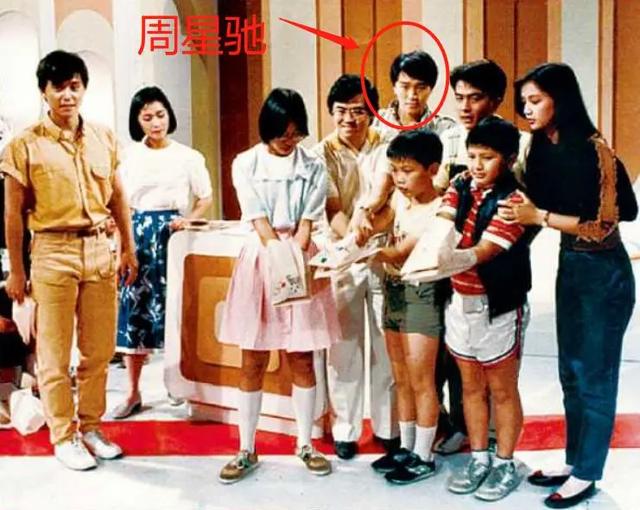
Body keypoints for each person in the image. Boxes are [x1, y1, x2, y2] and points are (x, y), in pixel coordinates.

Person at [503, 63, 637, 509]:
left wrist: (539, 217)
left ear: (560, 100)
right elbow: (528, 197)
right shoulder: (540, 147)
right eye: (524, 102)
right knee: (570, 373)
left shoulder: (595, 150)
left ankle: (588, 472)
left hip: (604, 270)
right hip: (571, 265)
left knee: (595, 375)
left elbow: (604, 225)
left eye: (536, 100)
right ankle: (574, 460)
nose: (527, 110)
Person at [0, 50, 138, 470]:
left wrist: (128, 248)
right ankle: (63, 435)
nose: (67, 94)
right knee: (54, 353)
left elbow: (118, 196)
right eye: (58, 87)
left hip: (98, 249)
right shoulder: (24, 145)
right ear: (44, 92)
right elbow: (12, 214)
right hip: (51, 252)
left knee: (98, 351)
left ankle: (91, 426)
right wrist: (18, 272)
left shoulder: (103, 137)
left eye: (74, 86)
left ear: (84, 89)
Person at [217, 88, 339, 484]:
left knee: (302, 356)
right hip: (262, 255)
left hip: (300, 255)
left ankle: (305, 443)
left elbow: (308, 222)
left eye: (296, 133)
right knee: (252, 357)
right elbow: (258, 219)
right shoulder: (246, 163)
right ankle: (246, 448)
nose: (289, 141)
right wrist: (277, 256)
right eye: (282, 133)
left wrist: (295, 261)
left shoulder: (313, 164)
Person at [437, 117, 531, 501]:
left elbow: (484, 252)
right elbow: (442, 222)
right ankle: (479, 458)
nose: (476, 165)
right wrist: (431, 245)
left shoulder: (515, 201)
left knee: (502, 390)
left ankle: (505, 463)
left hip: (498, 307)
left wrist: (439, 260)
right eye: (472, 155)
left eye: (487, 157)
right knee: (471, 388)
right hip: (459, 303)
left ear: (508, 159)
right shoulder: (460, 184)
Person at [111, 86, 213, 419]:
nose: (156, 123)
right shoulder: (128, 156)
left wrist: (189, 220)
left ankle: (177, 384)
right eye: (147, 117)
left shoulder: (188, 156)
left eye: (160, 115)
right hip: (136, 235)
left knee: (176, 310)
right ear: (137, 121)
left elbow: (205, 197)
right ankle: (132, 391)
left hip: (175, 236)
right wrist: (121, 247)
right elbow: (119, 204)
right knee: (135, 312)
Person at [314, 74, 399, 460]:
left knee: (386, 344)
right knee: (344, 347)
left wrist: (369, 237)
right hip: (342, 257)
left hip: (384, 255)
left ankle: (389, 428)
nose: (350, 118)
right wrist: (353, 242)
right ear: (331, 111)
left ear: (372, 112)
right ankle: (345, 430)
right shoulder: (320, 154)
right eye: (342, 110)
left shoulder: (388, 145)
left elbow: (391, 197)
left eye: (359, 110)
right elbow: (331, 208)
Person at [360, 130, 446, 484]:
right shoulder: (400, 197)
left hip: (421, 292)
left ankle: (424, 455)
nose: (398, 177)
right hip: (393, 288)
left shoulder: (439, 209)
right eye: (394, 169)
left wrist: (362, 253)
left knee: (422, 378)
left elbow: (398, 252)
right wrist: (364, 223)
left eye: (407, 170)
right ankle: (407, 446)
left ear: (432, 169)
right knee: (400, 376)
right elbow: (378, 224)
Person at [373, 50, 455, 139]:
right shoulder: (375, 122)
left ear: (430, 89)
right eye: (405, 87)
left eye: (420, 87)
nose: (412, 95)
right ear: (394, 87)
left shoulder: (446, 129)